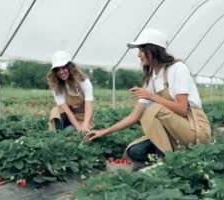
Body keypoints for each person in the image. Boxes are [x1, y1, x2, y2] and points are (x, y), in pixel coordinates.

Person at [85, 28, 211, 163]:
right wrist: (104, 131)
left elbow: (181, 108)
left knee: (154, 110)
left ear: (153, 50)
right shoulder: (152, 78)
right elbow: (135, 116)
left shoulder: (178, 68)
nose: (138, 55)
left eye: (141, 50)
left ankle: (166, 161)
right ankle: (175, 153)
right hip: (171, 131)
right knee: (134, 151)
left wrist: (152, 96)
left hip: (195, 130)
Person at [47, 51, 94, 132]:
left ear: (70, 67)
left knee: (70, 130)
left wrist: (85, 125)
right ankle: (58, 132)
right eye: (57, 69)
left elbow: (89, 106)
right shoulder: (56, 87)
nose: (61, 72)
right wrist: (78, 127)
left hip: (83, 116)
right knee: (56, 110)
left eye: (64, 68)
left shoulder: (84, 82)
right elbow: (67, 111)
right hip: (68, 116)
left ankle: (66, 131)